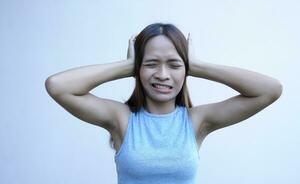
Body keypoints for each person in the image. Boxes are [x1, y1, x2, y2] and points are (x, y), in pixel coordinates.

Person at [45, 23, 283, 184]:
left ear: (185, 69)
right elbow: (58, 85)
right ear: (138, 68)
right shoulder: (121, 119)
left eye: (174, 64)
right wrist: (126, 66)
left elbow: (269, 90)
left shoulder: (197, 121)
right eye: (151, 64)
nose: (162, 74)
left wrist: (198, 66)